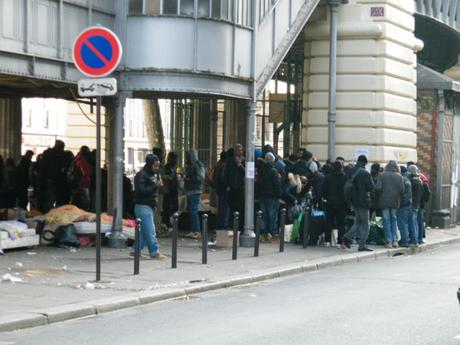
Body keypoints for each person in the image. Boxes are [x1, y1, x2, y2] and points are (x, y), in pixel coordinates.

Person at [132, 154, 167, 259]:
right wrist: (154, 185)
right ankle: (154, 251)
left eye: (158, 165)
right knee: (150, 230)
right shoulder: (141, 175)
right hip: (143, 205)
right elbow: (141, 191)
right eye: (155, 165)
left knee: (144, 231)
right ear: (149, 164)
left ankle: (135, 250)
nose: (157, 168)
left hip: (149, 205)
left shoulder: (152, 174)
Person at [342, 155, 375, 251]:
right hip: (363, 201)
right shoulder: (365, 173)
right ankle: (362, 245)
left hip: (353, 201)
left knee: (358, 221)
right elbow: (371, 187)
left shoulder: (351, 171)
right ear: (365, 163)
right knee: (365, 224)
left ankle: (347, 237)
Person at [375, 160, 404, 248]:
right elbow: (402, 190)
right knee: (394, 220)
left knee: (386, 221)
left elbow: (378, 188)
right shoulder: (399, 176)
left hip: (384, 201)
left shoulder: (382, 175)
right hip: (395, 201)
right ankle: (395, 240)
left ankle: (389, 241)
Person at [258, 152, 282, 243]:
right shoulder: (274, 171)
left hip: (263, 196)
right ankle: (274, 235)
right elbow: (277, 185)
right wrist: (279, 195)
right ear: (272, 161)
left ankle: (264, 234)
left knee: (264, 217)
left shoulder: (262, 171)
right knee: (273, 217)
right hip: (272, 197)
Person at [323, 161, 347, 246]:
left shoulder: (328, 177)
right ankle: (340, 241)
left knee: (329, 221)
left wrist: (326, 198)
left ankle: (327, 240)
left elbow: (324, 190)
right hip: (342, 202)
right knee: (341, 223)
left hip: (330, 202)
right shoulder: (345, 177)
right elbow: (347, 190)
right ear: (341, 167)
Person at [223, 144, 245, 232]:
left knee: (239, 209)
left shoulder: (244, 160)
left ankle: (239, 228)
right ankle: (232, 227)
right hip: (231, 189)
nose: (238, 152)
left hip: (240, 189)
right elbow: (225, 174)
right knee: (232, 209)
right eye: (237, 150)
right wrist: (227, 185)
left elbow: (246, 173)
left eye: (240, 150)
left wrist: (240, 165)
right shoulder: (229, 161)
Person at [184, 149, 205, 239]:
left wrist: (188, 179)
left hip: (194, 190)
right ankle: (194, 230)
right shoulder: (193, 165)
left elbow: (200, 178)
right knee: (191, 210)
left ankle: (196, 231)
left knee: (193, 211)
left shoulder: (197, 165)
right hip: (191, 190)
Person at [70, 146, 93, 211]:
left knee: (76, 201)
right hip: (83, 184)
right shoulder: (82, 160)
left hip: (77, 183)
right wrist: (90, 167)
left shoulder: (76, 158)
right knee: (86, 202)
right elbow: (86, 173)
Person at [212, 151, 229, 230]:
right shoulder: (223, 166)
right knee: (224, 209)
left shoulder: (217, 165)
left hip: (218, 189)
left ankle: (219, 226)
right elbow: (224, 179)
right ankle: (223, 227)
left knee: (221, 208)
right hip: (223, 190)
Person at [162, 151, 179, 228]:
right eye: (175, 159)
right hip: (169, 190)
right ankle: (166, 221)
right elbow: (168, 178)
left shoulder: (173, 167)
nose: (176, 161)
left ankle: (167, 221)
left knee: (172, 206)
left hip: (172, 190)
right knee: (168, 206)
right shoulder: (168, 167)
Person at [407, 165, 422, 247]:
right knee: (415, 222)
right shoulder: (419, 180)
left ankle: (414, 240)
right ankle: (415, 239)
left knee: (412, 222)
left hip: (412, 204)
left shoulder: (412, 181)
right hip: (417, 204)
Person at [397, 166, 412, 247]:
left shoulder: (402, 180)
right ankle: (406, 239)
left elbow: (402, 193)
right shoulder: (408, 180)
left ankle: (404, 240)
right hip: (408, 204)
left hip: (403, 205)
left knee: (402, 224)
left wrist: (400, 203)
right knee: (405, 223)